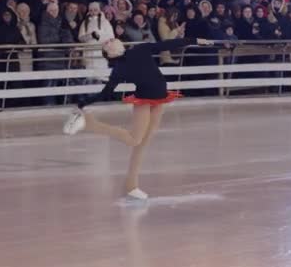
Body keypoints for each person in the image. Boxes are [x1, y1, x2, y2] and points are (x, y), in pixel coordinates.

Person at [62, 37, 213, 200]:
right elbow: (106, 93)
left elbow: (167, 44)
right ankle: (90, 124)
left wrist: (196, 40)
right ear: (110, 55)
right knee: (135, 140)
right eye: (108, 45)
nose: (111, 42)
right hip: (144, 100)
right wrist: (83, 102)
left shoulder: (140, 49)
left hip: (159, 99)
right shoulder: (120, 68)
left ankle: (131, 185)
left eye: (112, 41)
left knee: (142, 144)